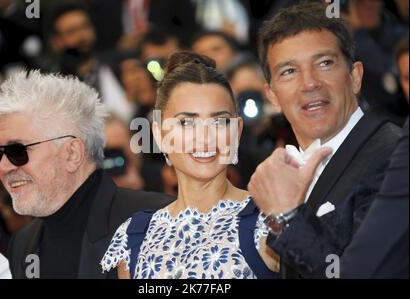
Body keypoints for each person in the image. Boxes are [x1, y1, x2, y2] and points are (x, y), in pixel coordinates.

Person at [249, 1, 401, 278]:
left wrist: (286, 219)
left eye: (324, 63)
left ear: (355, 77)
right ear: (272, 95)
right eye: (289, 71)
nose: (309, 83)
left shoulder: (394, 156)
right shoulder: (280, 172)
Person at [101, 51, 279, 279]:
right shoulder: (135, 236)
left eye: (220, 121)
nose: (205, 137)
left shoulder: (268, 222)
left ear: (237, 131)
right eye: (186, 122)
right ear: (159, 134)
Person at [0, 70, 172, 279]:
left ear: (72, 154)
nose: (3, 167)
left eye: (18, 152)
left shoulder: (158, 223)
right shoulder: (23, 245)